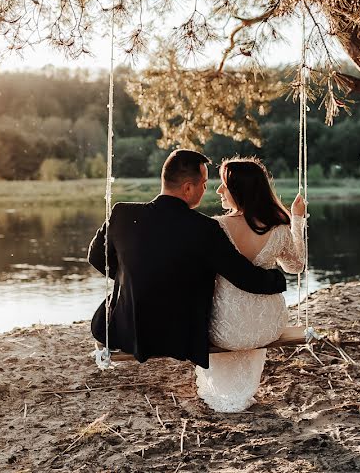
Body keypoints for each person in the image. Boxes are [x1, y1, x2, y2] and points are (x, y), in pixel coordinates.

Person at [88, 149, 287, 369]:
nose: (205, 189)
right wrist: (277, 279)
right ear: (188, 188)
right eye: (203, 184)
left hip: (127, 331)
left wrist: (132, 279)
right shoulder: (206, 228)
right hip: (180, 336)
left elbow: (96, 256)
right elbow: (244, 277)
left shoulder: (122, 213)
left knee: (106, 311)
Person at [194, 156, 306, 412]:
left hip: (226, 330)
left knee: (220, 317)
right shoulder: (278, 228)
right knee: (247, 319)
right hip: (269, 326)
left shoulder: (216, 227)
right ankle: (242, 389)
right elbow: (295, 266)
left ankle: (227, 391)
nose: (219, 190)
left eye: (224, 184)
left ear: (239, 190)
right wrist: (297, 220)